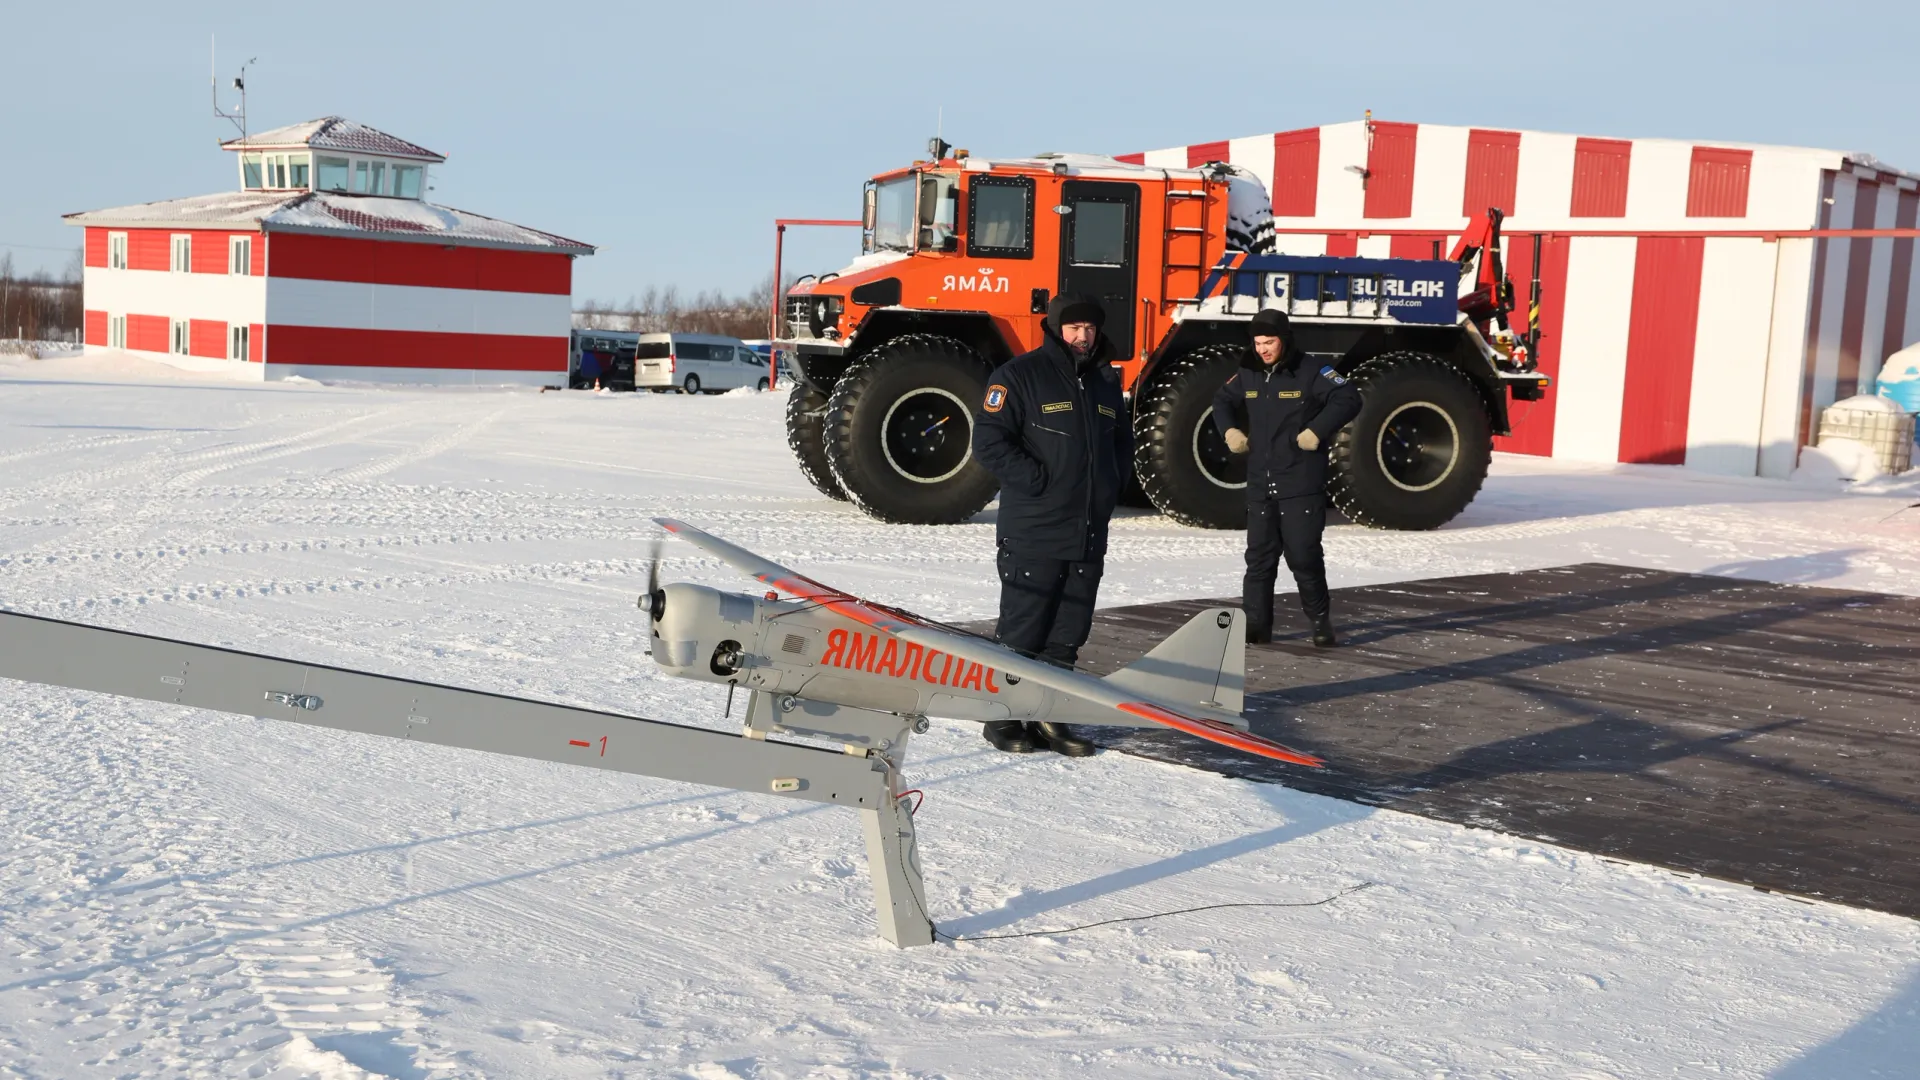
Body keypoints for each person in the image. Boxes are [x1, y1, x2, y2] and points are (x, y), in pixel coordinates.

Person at [971, 295, 1132, 756]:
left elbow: (1122, 440)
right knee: (1023, 630)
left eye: (1090, 328)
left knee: (1067, 632)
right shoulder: (1019, 376)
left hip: (1086, 531)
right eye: (1074, 327)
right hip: (1034, 528)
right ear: (1056, 328)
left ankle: (1050, 717)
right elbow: (989, 441)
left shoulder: (1104, 382)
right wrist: (1040, 481)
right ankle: (1003, 717)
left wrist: (1112, 482)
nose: (1083, 336)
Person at [1212, 308, 1361, 647]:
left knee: (1303, 557)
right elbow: (1221, 400)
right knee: (1259, 560)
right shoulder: (1248, 372)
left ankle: (1321, 621)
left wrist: (1316, 431)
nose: (1263, 350)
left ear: (1284, 340)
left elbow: (1349, 397)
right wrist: (1230, 431)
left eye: (1270, 342)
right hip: (1260, 484)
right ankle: (1256, 628)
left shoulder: (1309, 370)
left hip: (1300, 483)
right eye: (1258, 343)